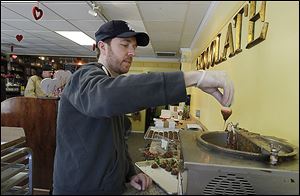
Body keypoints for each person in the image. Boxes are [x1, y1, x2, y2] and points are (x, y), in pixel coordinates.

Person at [52, 20, 234, 195]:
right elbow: (106, 97)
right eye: (125, 45)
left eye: (134, 47)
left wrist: (130, 172)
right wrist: (193, 78)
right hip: (81, 190)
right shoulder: (84, 77)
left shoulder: (110, 83)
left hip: (111, 187)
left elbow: (117, 144)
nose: (132, 52)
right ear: (102, 47)